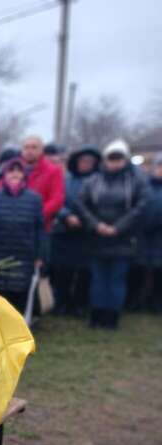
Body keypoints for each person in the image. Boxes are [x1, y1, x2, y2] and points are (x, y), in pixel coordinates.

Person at [73, 139, 151, 329]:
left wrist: (119, 227)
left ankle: (112, 317)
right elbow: (80, 204)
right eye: (111, 158)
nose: (114, 162)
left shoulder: (136, 180)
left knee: (116, 279)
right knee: (98, 279)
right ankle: (96, 315)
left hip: (123, 239)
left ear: (125, 159)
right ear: (105, 159)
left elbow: (142, 205)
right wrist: (96, 225)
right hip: (97, 239)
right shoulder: (94, 180)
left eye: (119, 158)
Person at [0, 157, 46, 313]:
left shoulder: (34, 199)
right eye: (11, 170)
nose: (15, 174)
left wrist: (41, 255)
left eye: (19, 170)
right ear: (5, 174)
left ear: (24, 175)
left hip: (24, 256)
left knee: (19, 297)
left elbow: (40, 229)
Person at [50, 145, 101, 316]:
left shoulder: (99, 181)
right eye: (82, 160)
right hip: (65, 231)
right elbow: (58, 199)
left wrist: (86, 220)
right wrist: (67, 216)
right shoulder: (66, 179)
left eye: (89, 161)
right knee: (63, 271)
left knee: (84, 272)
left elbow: (101, 205)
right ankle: (61, 303)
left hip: (87, 233)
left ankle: (79, 305)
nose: (86, 164)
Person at [20, 135, 65, 231]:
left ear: (41, 150)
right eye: (26, 147)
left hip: (40, 226)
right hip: (15, 225)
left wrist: (35, 214)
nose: (29, 151)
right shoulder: (13, 169)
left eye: (34, 147)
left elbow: (57, 200)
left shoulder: (53, 171)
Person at [136, 153, 162, 312]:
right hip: (143, 234)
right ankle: (138, 300)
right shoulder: (144, 186)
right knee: (139, 268)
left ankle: (157, 302)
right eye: (159, 166)